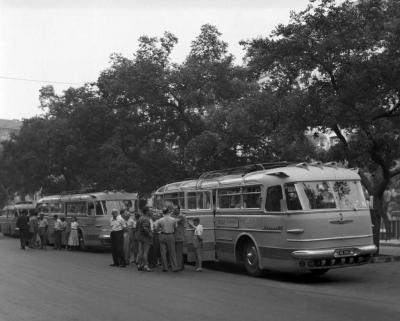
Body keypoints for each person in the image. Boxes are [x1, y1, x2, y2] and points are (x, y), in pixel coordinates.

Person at [155, 207, 178, 272]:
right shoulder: (173, 219)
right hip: (170, 235)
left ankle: (165, 267)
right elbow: (175, 228)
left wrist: (159, 232)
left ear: (163, 212)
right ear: (168, 212)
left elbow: (156, 229)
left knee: (163, 252)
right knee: (172, 252)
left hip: (162, 235)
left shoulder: (160, 220)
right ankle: (174, 267)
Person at [136, 206, 153, 272]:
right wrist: (150, 234)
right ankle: (146, 266)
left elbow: (137, 228)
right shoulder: (146, 219)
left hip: (140, 237)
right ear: (147, 211)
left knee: (140, 252)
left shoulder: (140, 218)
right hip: (146, 238)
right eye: (150, 211)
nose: (151, 212)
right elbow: (145, 228)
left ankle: (139, 265)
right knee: (146, 252)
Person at [172, 206, 186, 271]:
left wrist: (168, 217)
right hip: (176, 236)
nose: (173, 211)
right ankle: (180, 265)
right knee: (178, 252)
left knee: (178, 253)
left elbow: (174, 221)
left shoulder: (181, 216)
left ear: (178, 210)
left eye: (175, 210)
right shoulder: (175, 215)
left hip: (179, 236)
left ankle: (179, 266)